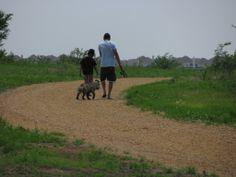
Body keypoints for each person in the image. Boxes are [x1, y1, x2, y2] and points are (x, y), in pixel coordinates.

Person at [98, 33, 125, 99]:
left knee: (102, 79)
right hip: (111, 64)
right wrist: (120, 64)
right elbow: (116, 54)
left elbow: (101, 55)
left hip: (103, 64)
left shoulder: (100, 45)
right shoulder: (112, 44)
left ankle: (104, 92)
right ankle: (109, 95)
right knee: (111, 80)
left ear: (103, 38)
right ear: (109, 38)